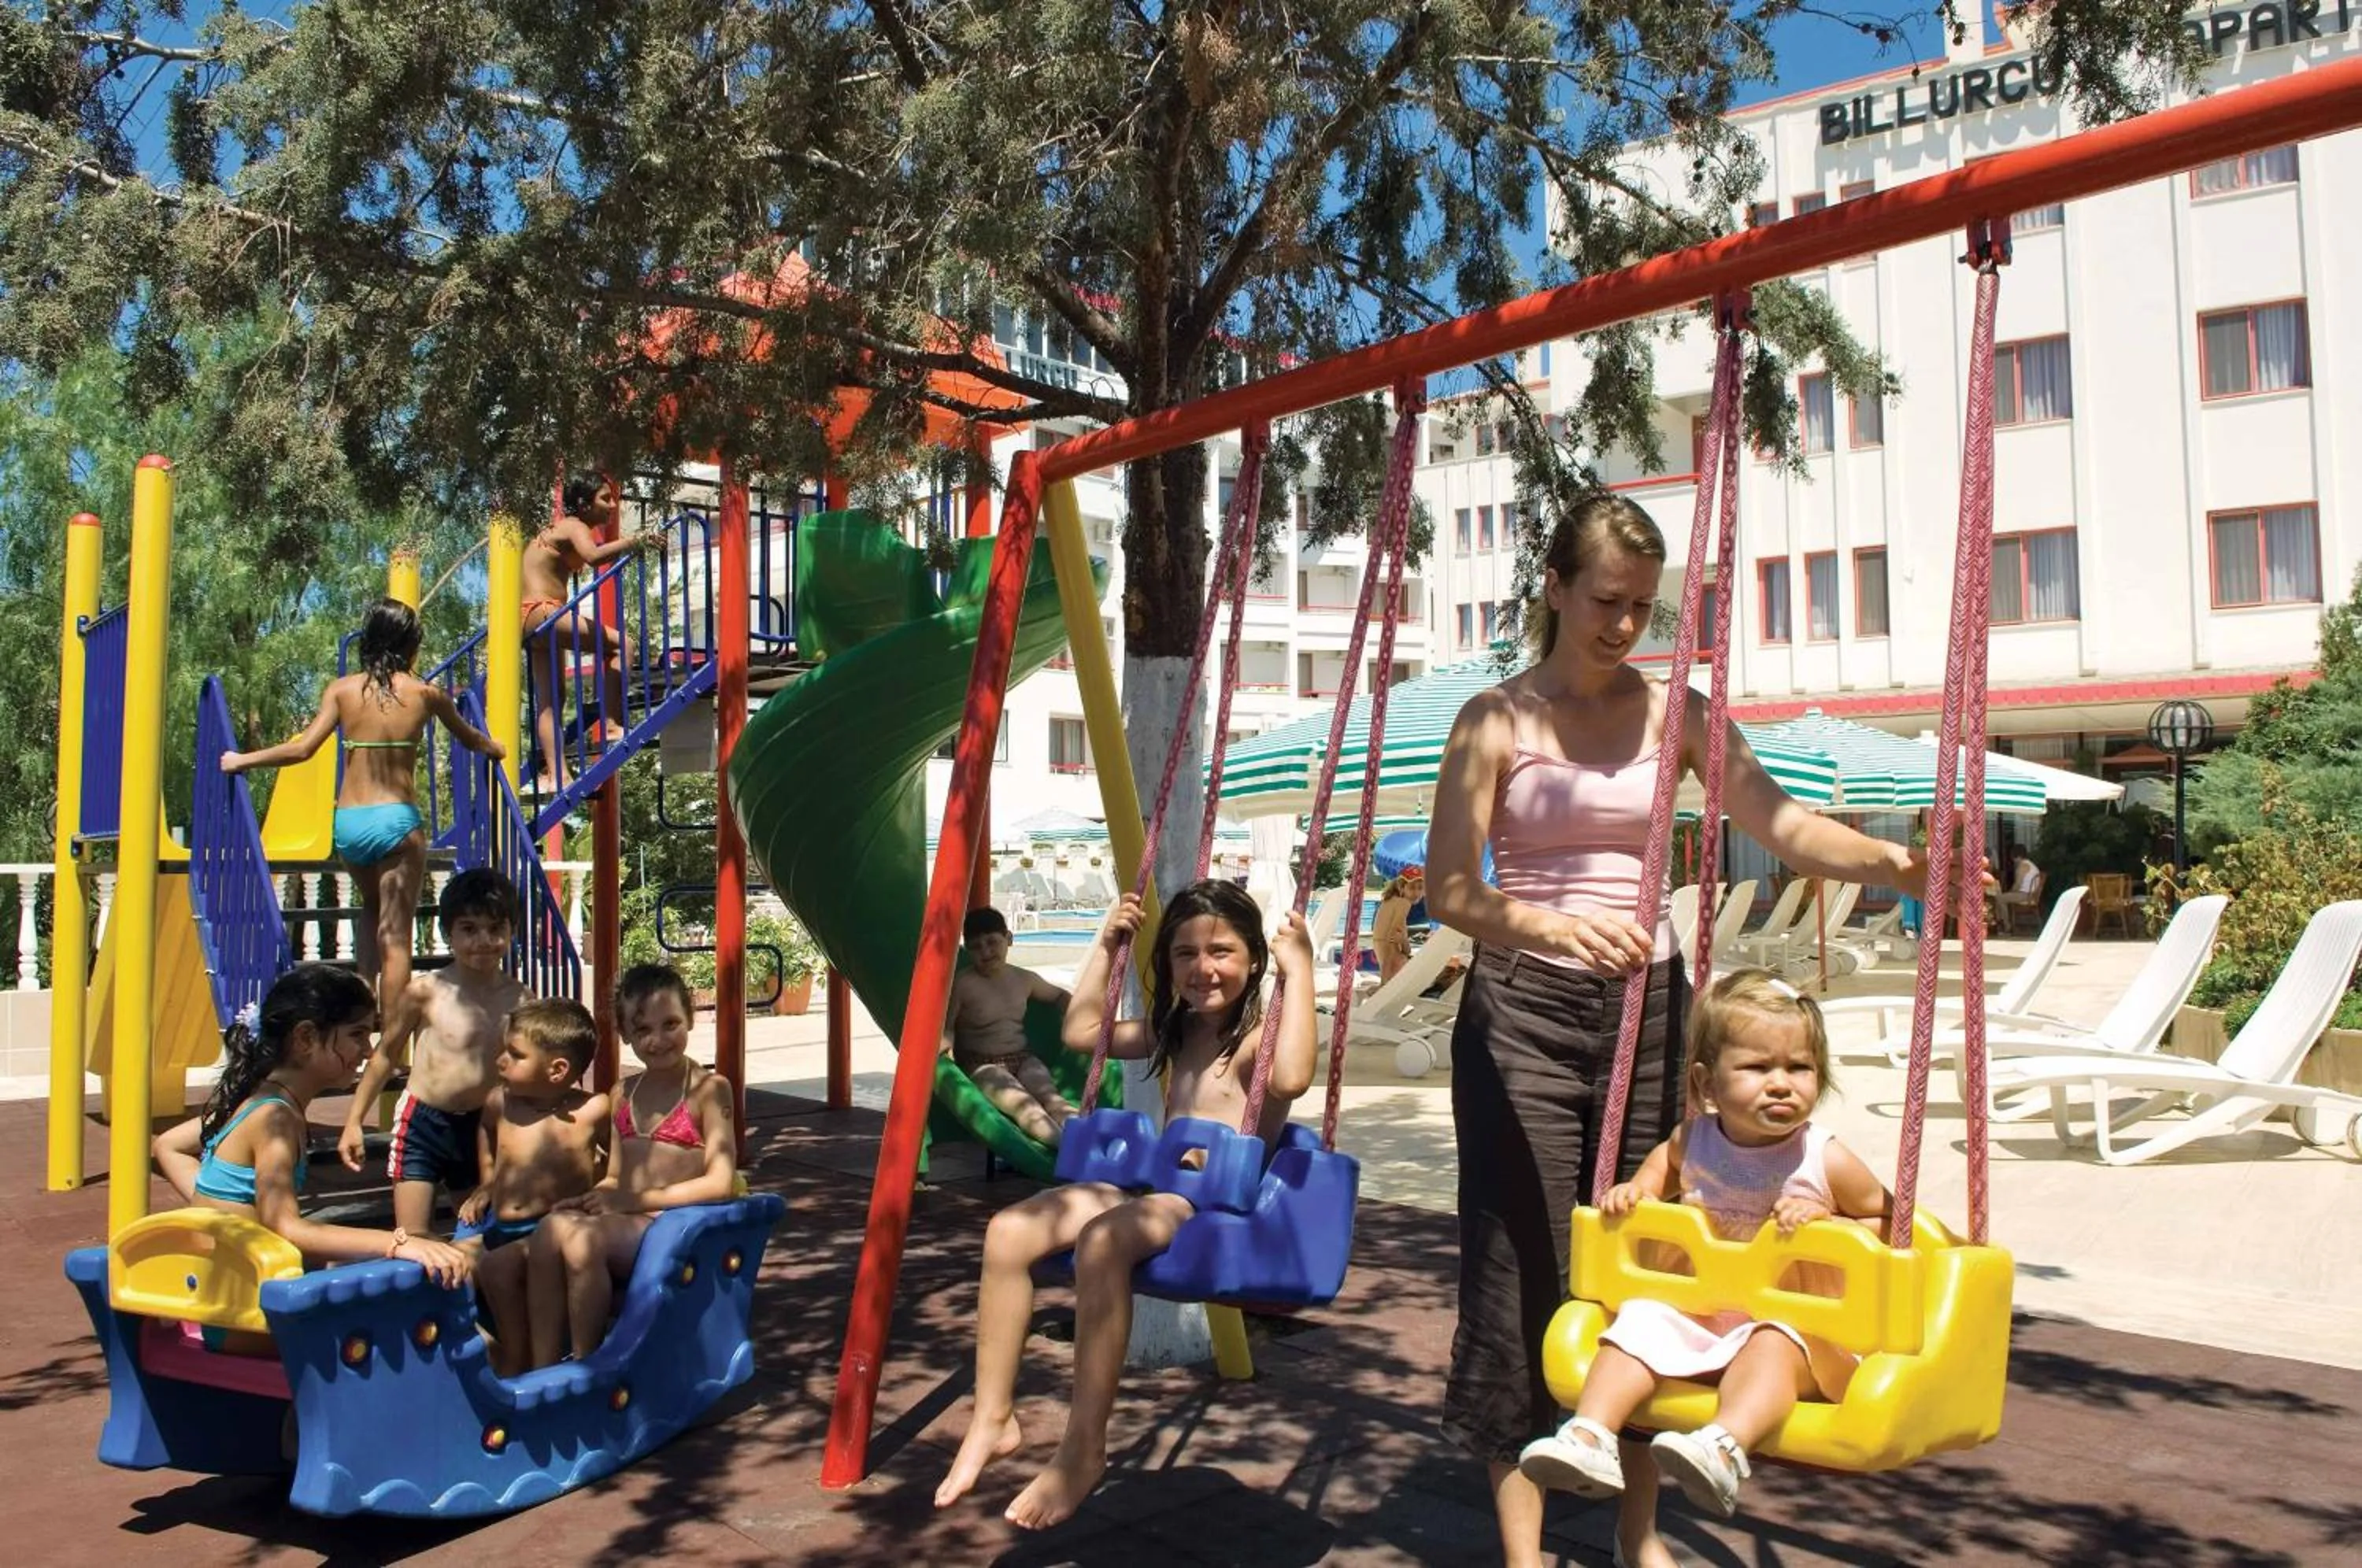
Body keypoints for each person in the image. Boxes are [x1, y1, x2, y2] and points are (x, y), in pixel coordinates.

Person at [1423, 493, 1933, 1568]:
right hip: (1522, 1010)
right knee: (1524, 1271)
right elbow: (1451, 888)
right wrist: (1552, 923)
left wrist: (1896, 863)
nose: (1623, 625)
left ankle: (1637, 1535)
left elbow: (1780, 823)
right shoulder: (1494, 719)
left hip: (1649, 1008)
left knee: (1655, 1264)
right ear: (1555, 587)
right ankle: (1523, 1552)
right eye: (1605, 601)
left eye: (1641, 608)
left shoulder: (1679, 714)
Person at [934, 881, 1316, 1530]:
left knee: (1104, 1239)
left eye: (1221, 951)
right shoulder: (1176, 1030)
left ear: (1255, 959)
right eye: (1185, 953)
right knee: (1009, 1231)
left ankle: (1083, 1449)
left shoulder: (1256, 1040)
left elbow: (1294, 1077)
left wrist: (1300, 969)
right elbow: (1082, 1031)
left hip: (1212, 1208)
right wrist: (1107, 945)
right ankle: (993, 1417)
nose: (1202, 968)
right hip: (1156, 1188)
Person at [1517, 970, 1890, 1525]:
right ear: (1707, 1083)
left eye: (1799, 1067)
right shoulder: (1692, 1141)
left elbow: (1891, 1221)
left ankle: (1723, 1449)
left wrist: (1830, 1220)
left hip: (1801, 1332)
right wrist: (1637, 1192)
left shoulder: (1823, 1158)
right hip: (1706, 1317)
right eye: (1758, 1068)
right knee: (1639, 1321)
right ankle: (1590, 1435)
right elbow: (1662, 1170)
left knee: (1772, 1341)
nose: (1781, 1084)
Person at [220, 598, 505, 1011]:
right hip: (395, 822)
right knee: (396, 937)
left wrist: (241, 760)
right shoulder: (427, 694)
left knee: (371, 909)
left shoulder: (342, 690)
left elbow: (302, 749)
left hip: (350, 824)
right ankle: (392, 1039)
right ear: (410, 645)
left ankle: (361, 1012)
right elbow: (471, 739)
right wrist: (496, 747)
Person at [151, 963, 472, 1289]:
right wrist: (399, 1242)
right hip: (243, 1301)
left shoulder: (257, 1100)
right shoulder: (275, 1118)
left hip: (219, 1286)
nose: (368, 1050)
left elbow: (168, 1146)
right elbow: (286, 1227)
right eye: (357, 1034)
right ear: (305, 1038)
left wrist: (217, 1209)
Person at [528, 963, 741, 1373]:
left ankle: (589, 1367)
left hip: (675, 1225)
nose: (658, 1040)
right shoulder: (623, 1093)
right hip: (632, 1219)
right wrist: (591, 1199)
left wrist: (634, 1201)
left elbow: (721, 1182)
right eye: (643, 1030)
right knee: (549, 1230)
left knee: (583, 1242)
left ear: (690, 1018)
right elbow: (614, 1178)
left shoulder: (709, 1090)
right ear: (625, 1034)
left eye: (670, 1024)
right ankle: (544, 1366)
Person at [338, 868, 531, 1236]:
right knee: (412, 1236)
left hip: (480, 1128)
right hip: (422, 1123)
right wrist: (354, 1121)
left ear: (512, 931)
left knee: (479, 1234)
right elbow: (386, 1054)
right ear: (448, 933)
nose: (483, 940)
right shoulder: (425, 992)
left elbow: (529, 1070)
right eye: (469, 929)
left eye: (495, 929)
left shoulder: (520, 1000)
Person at [457, 998, 611, 1376]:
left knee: (498, 1269)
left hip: (546, 1232)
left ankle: (520, 1360)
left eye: (515, 1054)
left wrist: (604, 1190)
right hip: (499, 1228)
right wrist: (487, 1182)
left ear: (557, 1069)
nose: (500, 1061)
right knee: (447, 1264)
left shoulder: (592, 1110)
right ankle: (486, 1350)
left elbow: (619, 1157)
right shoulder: (500, 1102)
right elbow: (487, 1132)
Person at [522, 474, 660, 793]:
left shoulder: (558, 529)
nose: (613, 505)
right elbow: (594, 556)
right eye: (605, 498)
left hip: (528, 621)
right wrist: (637, 540)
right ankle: (611, 724)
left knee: (551, 701)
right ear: (584, 504)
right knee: (622, 645)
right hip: (545, 611)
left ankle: (557, 775)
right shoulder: (574, 525)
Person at [942, 906, 1077, 1146]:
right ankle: (1067, 1150)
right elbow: (947, 1026)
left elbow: (1059, 996)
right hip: (982, 1065)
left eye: (992, 942)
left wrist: (1079, 1018)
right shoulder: (963, 984)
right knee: (1028, 1108)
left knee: (1054, 1100)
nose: (985, 952)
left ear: (1009, 939)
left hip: (1023, 1058)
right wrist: (945, 1056)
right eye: (976, 947)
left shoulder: (1024, 979)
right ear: (967, 949)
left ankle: (1086, 1141)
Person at [1372, 868, 1423, 982]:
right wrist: (1384, 980)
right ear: (1401, 888)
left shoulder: (1390, 901)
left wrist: (1404, 942)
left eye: (1420, 888)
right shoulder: (1404, 903)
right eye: (1412, 888)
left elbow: (1404, 947)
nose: (1417, 893)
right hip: (1388, 950)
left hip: (1380, 946)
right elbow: (1392, 937)